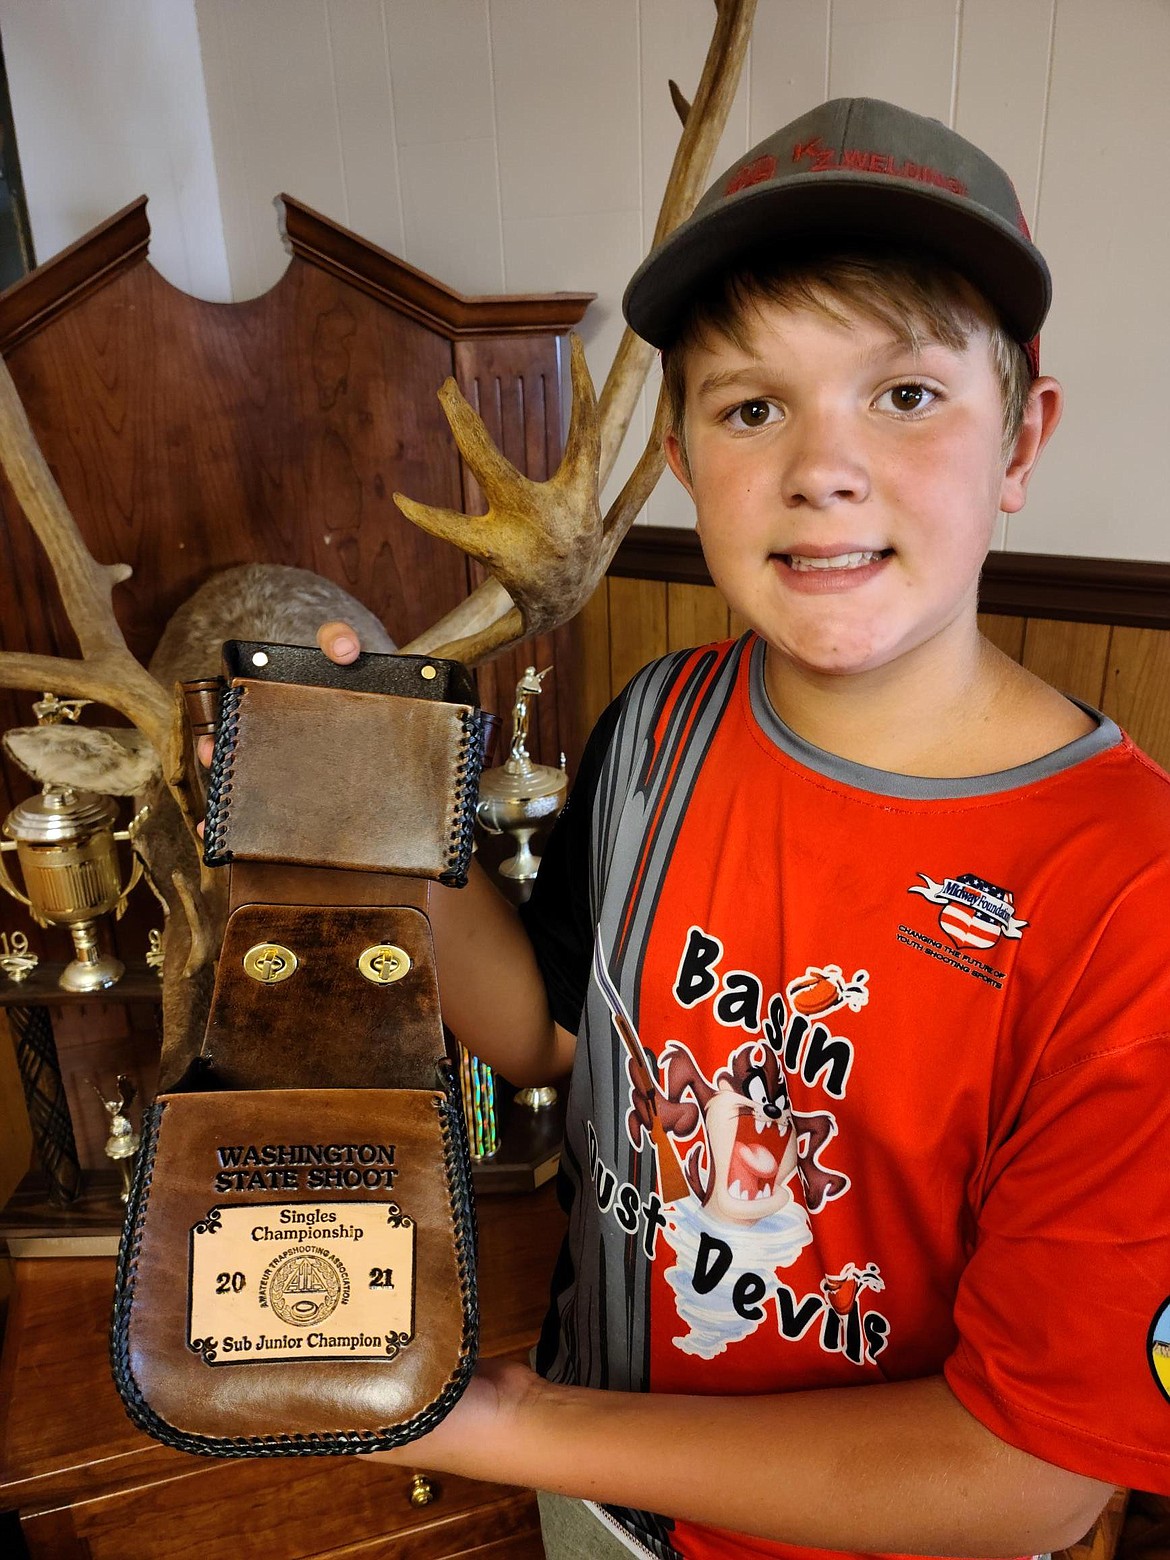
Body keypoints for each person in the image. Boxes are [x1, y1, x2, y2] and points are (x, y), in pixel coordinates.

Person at [220, 99, 1170, 1559]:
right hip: (596, 1503)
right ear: (677, 460)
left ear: (1020, 439)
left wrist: (494, 1421)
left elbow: (1025, 1475)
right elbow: (540, 1032)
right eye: (750, 406)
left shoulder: (1130, 898)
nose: (819, 469)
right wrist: (393, 812)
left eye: (905, 397)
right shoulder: (662, 725)